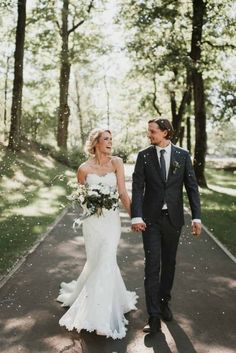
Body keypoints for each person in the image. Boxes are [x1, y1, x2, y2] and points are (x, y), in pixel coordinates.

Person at [57, 128, 138, 339]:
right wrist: (92, 201)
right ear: (96, 143)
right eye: (106, 139)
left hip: (111, 221)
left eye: (111, 139)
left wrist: (134, 217)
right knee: (96, 262)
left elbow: (122, 193)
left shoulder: (117, 163)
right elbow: (80, 197)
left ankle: (100, 316)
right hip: (92, 223)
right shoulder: (83, 169)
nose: (110, 142)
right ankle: (97, 301)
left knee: (107, 258)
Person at [131, 118, 201, 334]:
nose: (149, 135)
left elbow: (191, 187)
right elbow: (137, 186)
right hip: (150, 220)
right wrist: (136, 216)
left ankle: (164, 302)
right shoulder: (144, 156)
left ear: (165, 133)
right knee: (152, 265)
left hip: (173, 219)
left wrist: (196, 217)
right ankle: (153, 316)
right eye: (148, 131)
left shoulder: (182, 155)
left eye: (152, 131)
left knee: (169, 263)